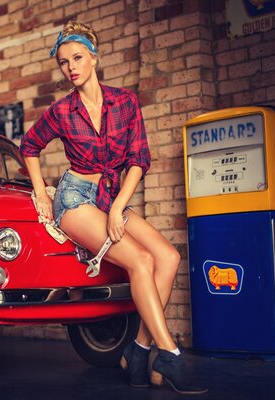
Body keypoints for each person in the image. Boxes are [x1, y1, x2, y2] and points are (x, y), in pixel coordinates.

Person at [19, 21, 208, 395]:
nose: (70, 67)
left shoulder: (125, 102)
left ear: (94, 57)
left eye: (76, 58)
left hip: (110, 198)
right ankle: (167, 352)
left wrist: (120, 205)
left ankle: (137, 351)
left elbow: (138, 159)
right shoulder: (61, 111)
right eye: (63, 62)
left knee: (167, 257)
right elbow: (29, 146)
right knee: (140, 261)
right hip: (74, 199)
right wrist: (41, 193)